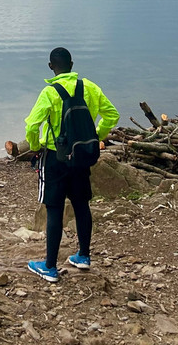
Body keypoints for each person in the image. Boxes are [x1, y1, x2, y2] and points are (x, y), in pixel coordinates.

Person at [24, 46, 119, 283]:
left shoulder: (49, 92)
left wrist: (35, 146)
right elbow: (112, 115)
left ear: (50, 67)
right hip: (81, 157)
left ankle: (49, 267)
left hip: (56, 158)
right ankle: (84, 256)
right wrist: (96, 137)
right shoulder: (90, 87)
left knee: (54, 209)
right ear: (72, 65)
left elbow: (31, 126)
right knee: (81, 204)